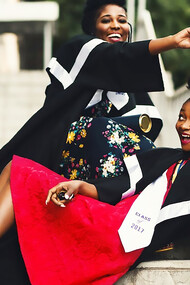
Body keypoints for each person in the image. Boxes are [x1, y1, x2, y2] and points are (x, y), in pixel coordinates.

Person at [0, 0, 190, 282]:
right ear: (91, 27)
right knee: (17, 174)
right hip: (65, 168)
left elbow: (146, 140)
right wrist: (170, 42)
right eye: (106, 20)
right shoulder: (80, 51)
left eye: (122, 19)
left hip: (116, 195)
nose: (116, 25)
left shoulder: (135, 94)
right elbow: (112, 57)